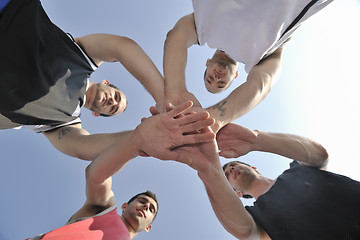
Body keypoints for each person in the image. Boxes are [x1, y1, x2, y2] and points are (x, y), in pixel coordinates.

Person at [0, 0, 166, 159]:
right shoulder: (84, 58)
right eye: (117, 96)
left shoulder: (62, 123)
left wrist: (139, 138)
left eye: (113, 109)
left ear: (96, 113)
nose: (113, 103)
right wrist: (164, 98)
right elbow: (121, 47)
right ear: (106, 83)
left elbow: (84, 146)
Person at [26, 102, 216, 240]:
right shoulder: (103, 211)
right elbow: (95, 176)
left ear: (149, 227)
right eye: (143, 201)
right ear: (124, 205)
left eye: (150, 209)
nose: (145, 207)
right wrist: (138, 142)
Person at [152, 122, 360, 240]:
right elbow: (245, 231)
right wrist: (209, 169)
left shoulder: (296, 170)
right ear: (237, 194)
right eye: (226, 175)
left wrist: (256, 140)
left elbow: (319, 155)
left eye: (233, 164)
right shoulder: (257, 219)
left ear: (253, 167)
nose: (231, 168)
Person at [163, 0, 333, 132]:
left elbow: (177, 36)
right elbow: (261, 84)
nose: (216, 78)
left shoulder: (200, 28)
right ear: (235, 75)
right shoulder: (261, 57)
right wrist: (214, 118)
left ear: (207, 64)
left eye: (210, 78)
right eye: (221, 84)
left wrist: (175, 90)